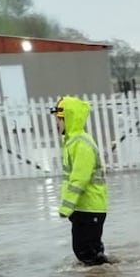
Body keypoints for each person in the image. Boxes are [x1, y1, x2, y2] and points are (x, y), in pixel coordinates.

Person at [51, 96, 109, 265]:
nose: (56, 124)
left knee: (85, 252)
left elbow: (79, 179)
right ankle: (101, 276)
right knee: (89, 252)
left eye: (59, 120)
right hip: (83, 208)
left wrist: (66, 207)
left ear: (68, 118)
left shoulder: (81, 144)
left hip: (90, 207)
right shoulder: (72, 142)